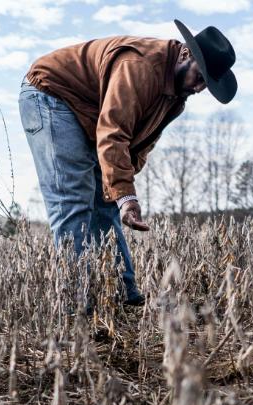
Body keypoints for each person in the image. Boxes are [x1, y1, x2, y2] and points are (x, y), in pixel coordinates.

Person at [19, 20, 237, 306]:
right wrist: (126, 194)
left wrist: (122, 194)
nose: (199, 88)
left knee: (107, 201)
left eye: (206, 85)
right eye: (200, 77)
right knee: (73, 198)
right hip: (51, 95)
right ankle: (75, 304)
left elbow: (140, 144)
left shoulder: (175, 98)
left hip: (90, 112)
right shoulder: (140, 67)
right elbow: (113, 132)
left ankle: (124, 294)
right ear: (186, 55)